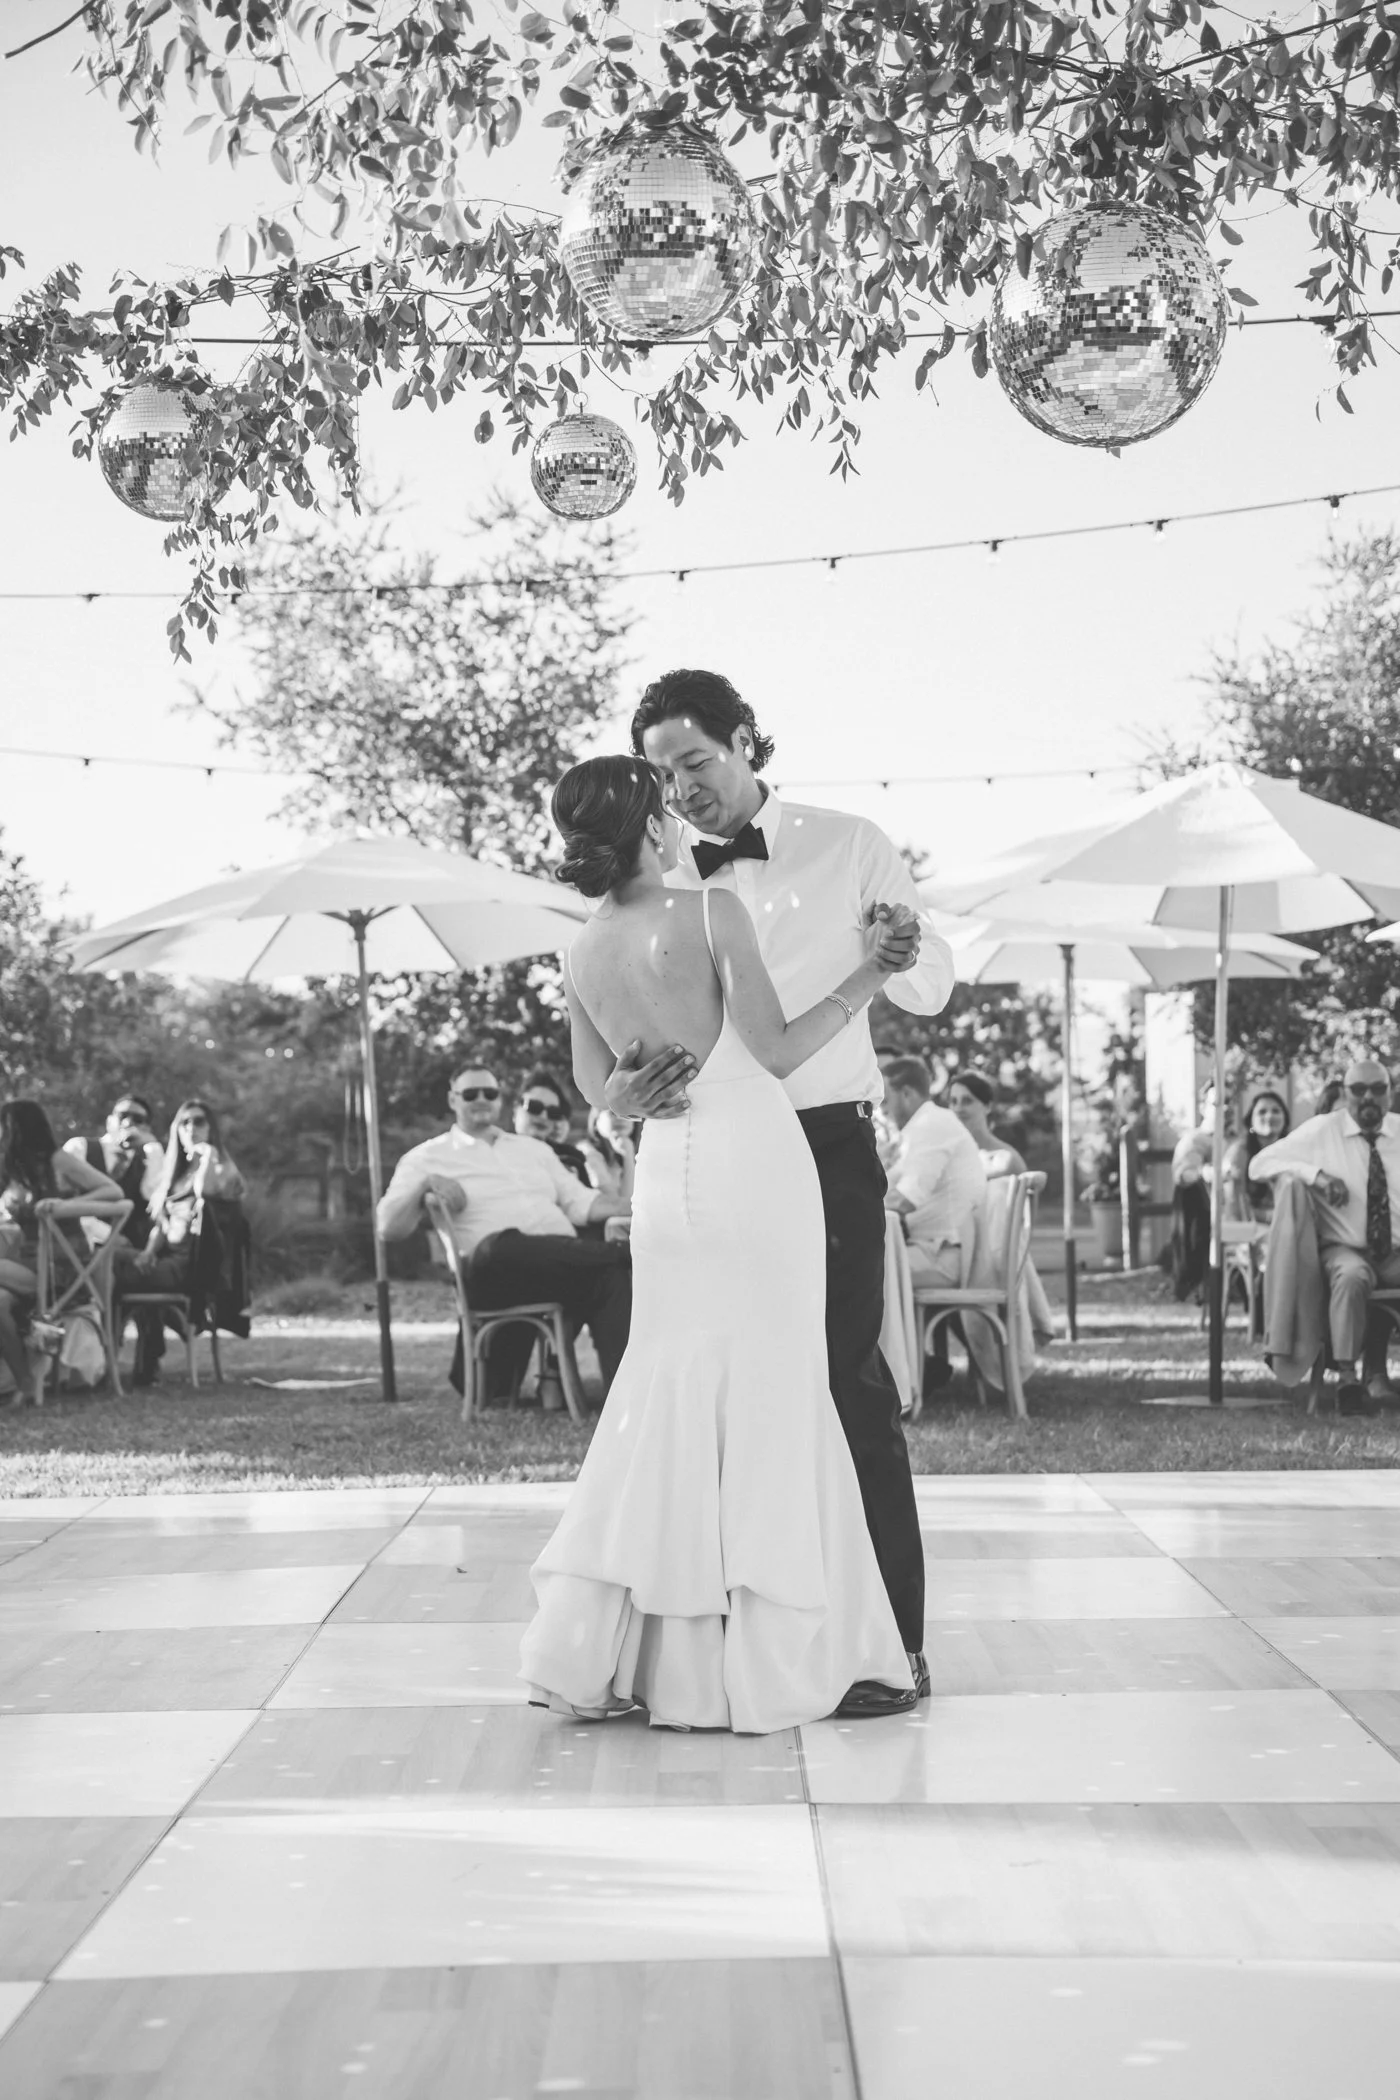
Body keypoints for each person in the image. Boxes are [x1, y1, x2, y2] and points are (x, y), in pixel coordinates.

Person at [520, 754, 916, 1733]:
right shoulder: (709, 913)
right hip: (751, 1157)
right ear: (651, 822)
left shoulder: (580, 948)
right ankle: (781, 1652)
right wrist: (871, 970)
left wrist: (622, 1098)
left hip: (665, 1177)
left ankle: (645, 1657)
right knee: (778, 1388)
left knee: (668, 1384)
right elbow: (778, 1051)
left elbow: (592, 1086)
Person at [621, 669, 956, 1714]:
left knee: (841, 1383)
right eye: (662, 774)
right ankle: (726, 1648)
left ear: (744, 743)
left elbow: (935, 981)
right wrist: (614, 1106)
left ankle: (888, 1647)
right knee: (710, 1400)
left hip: (819, 1144)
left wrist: (894, 953)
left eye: (696, 763)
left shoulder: (848, 840)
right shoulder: (650, 875)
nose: (683, 792)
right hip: (702, 1158)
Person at [378, 1058, 633, 1400]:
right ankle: (619, 1252)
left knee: (612, 1276)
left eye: (489, 1091)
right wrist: (424, 1183)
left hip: (559, 1266)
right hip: (492, 1272)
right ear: (453, 1099)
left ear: (500, 1098)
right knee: (503, 1244)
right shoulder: (427, 1157)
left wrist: (641, 1208)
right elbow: (387, 1228)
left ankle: (627, 1401)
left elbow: (582, 1203)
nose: (481, 1099)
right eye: (470, 1093)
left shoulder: (534, 1149)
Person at [1249, 1059, 1400, 1410]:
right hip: (1344, 1248)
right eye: (1358, 1090)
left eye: (1378, 1089)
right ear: (1345, 1094)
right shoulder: (1322, 1131)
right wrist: (1314, 1174)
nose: (1368, 1098)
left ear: (1390, 1094)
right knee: (1351, 1277)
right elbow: (1259, 1165)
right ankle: (1348, 1381)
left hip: (1394, 1251)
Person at [0, 1100, 123, 1405]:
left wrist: (66, 1207)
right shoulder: (12, 1169)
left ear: (17, 1129)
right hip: (27, 1264)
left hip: (63, 1269)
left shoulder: (58, 1161)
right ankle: (25, 1382)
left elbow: (113, 1193)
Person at [116, 1099, 248, 1384]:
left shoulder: (222, 1167)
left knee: (113, 1275)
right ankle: (143, 1354)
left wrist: (207, 1153)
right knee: (114, 1263)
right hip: (165, 1260)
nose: (191, 1128)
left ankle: (143, 1354)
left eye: (199, 1121)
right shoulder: (174, 1173)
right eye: (184, 1122)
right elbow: (161, 1224)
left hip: (194, 1267)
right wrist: (149, 1252)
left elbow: (204, 1194)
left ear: (211, 1127)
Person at [882, 1057, 988, 1285]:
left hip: (942, 1256)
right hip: (927, 1249)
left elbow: (905, 1200)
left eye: (885, 1100)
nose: (882, 1110)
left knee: (850, 1271)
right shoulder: (918, 1130)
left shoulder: (931, 1125)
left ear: (906, 1094)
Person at [514, 1068, 592, 1187]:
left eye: (553, 1111)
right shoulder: (492, 1151)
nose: (543, 1116)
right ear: (515, 1111)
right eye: (534, 1107)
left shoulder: (573, 1161)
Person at [1223, 1089, 1289, 1225]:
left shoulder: (1292, 1149)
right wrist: (1268, 1217)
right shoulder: (1239, 1152)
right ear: (1251, 1122)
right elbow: (1234, 1204)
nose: (1270, 1116)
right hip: (1249, 1232)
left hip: (1287, 1227)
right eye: (1262, 1112)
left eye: (1276, 1111)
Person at [947, 1069, 1027, 1179]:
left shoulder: (1008, 1159)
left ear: (987, 1106)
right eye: (954, 1101)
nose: (958, 1108)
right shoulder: (946, 1156)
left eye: (967, 1101)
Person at [580, 1105, 638, 1202]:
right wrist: (628, 1156)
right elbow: (620, 1203)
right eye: (613, 1113)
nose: (621, 1118)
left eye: (628, 1114)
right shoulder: (588, 1154)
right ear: (596, 1122)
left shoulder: (633, 1151)